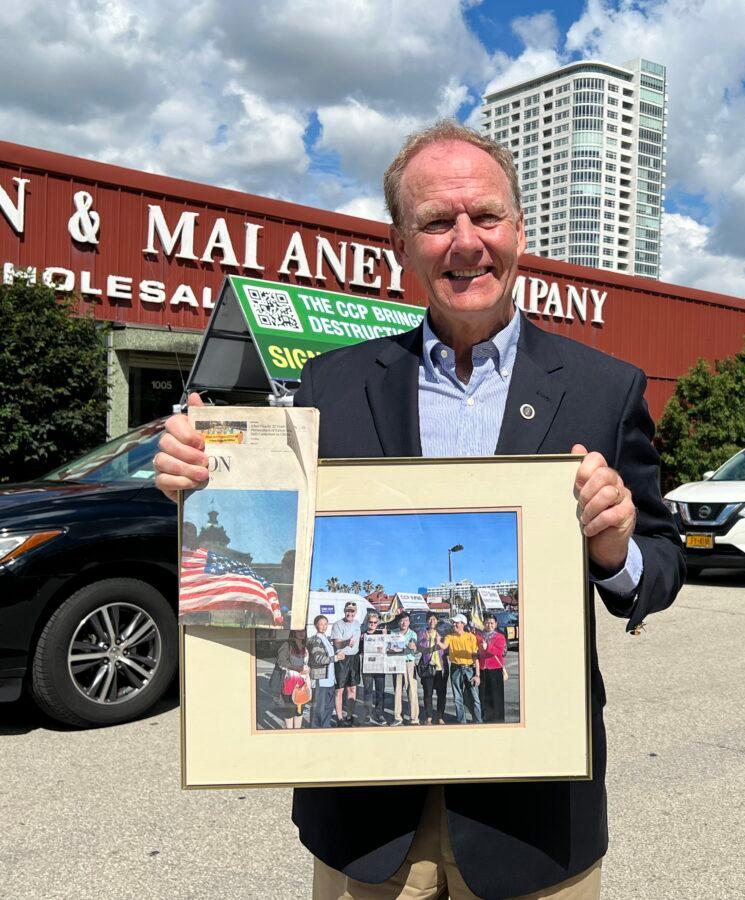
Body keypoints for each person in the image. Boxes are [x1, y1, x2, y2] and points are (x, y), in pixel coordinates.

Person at [154, 120, 684, 899]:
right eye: (437, 222)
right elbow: (269, 564)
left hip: (532, 818)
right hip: (366, 822)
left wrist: (616, 550)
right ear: (401, 243)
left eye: (486, 217)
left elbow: (661, 568)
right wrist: (205, 481)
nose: (466, 242)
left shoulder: (606, 387)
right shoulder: (330, 385)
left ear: (520, 231)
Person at [441, 613, 481, 724]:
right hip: (455, 669)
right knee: (458, 697)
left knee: (474, 697)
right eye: (453, 622)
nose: (454, 624)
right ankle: (461, 722)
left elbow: (475, 656)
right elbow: (444, 646)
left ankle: (478, 721)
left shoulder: (471, 637)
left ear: (463, 624)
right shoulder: (450, 636)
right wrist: (438, 642)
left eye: (456, 622)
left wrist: (477, 675)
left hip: (469, 669)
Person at [329, 602, 362, 727]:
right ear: (344, 611)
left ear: (355, 612)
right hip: (342, 659)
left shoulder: (358, 624)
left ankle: (349, 716)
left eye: (352, 611)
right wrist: (346, 642)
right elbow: (337, 644)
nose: (350, 613)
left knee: (352, 689)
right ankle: (339, 718)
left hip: (354, 658)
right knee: (339, 690)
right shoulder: (338, 625)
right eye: (348, 611)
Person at [268, 630, 309, 729]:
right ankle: (290, 733)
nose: (301, 633)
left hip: (302, 684)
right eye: (298, 630)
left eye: (303, 630)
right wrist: (297, 668)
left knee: (299, 711)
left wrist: (308, 670)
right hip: (288, 683)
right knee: (289, 712)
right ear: (293, 632)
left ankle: (297, 732)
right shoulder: (287, 645)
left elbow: (307, 663)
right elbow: (281, 661)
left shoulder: (305, 646)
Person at [415, 612, 447, 725]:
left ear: (437, 621)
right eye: (429, 619)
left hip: (440, 668)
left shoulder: (442, 633)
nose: (432, 621)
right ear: (426, 621)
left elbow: (446, 648)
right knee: (428, 693)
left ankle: (440, 716)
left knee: (441, 694)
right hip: (427, 667)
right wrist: (425, 640)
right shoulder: (421, 633)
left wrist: (439, 642)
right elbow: (420, 649)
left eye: (434, 619)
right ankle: (429, 716)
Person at [389, 611, 420, 726]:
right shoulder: (393, 632)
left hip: (409, 663)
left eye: (406, 620)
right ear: (398, 622)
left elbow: (414, 648)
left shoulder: (412, 634)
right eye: (401, 620)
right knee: (397, 690)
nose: (403, 622)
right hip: (397, 662)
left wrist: (413, 647)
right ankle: (397, 717)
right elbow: (391, 648)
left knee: (411, 689)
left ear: (409, 622)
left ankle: (414, 718)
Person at [306, 615, 337, 729]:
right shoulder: (315, 640)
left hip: (330, 679)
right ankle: (315, 729)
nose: (323, 626)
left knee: (328, 706)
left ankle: (325, 726)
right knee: (318, 707)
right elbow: (318, 659)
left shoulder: (327, 639)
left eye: (325, 624)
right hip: (320, 679)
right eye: (321, 624)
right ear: (316, 625)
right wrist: (336, 658)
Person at [359, 609, 389, 726]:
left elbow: (389, 650)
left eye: (375, 622)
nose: (372, 624)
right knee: (367, 691)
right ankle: (367, 713)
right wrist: (361, 641)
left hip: (380, 667)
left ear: (378, 623)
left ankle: (379, 713)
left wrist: (386, 637)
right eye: (370, 622)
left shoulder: (382, 634)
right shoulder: (363, 635)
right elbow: (359, 652)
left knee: (380, 691)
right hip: (367, 667)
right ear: (367, 622)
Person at [477, 613, 507, 723]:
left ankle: (498, 719)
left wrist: (487, 647)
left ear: (495, 624)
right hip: (483, 669)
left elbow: (499, 652)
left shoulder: (500, 636)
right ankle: (486, 719)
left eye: (491, 623)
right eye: (487, 622)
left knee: (496, 696)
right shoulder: (479, 636)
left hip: (495, 668)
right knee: (484, 695)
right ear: (483, 623)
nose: (489, 625)